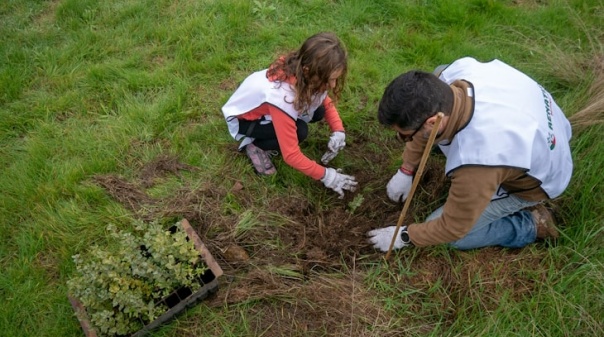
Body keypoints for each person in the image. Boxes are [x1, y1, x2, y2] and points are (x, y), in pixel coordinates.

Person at [367, 57, 573, 251]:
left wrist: (404, 236)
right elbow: (424, 125)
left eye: (405, 136)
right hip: (537, 125)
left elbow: (453, 227)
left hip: (539, 180)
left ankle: (531, 225)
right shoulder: (454, 74)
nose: (405, 140)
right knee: (436, 83)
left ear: (433, 122)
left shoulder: (478, 160)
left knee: (454, 238)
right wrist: (407, 169)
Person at [222, 32, 357, 198]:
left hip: (268, 110)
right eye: (329, 79)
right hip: (246, 121)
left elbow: (324, 101)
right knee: (300, 131)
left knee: (319, 111)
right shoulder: (281, 97)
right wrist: (327, 175)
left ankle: (266, 136)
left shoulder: (303, 71)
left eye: (336, 79)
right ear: (309, 71)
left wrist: (338, 130)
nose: (333, 85)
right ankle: (256, 146)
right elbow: (291, 155)